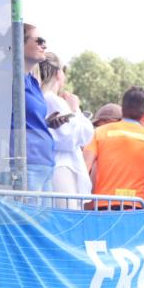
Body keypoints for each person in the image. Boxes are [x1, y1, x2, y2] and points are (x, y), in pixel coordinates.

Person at [84, 86, 144, 209]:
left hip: (104, 207)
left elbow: (85, 168)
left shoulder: (99, 133)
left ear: (123, 110)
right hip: (139, 209)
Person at [36, 51, 93, 208]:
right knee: (66, 215)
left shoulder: (39, 98)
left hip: (51, 164)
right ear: (57, 73)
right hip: (62, 166)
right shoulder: (53, 100)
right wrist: (75, 110)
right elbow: (75, 137)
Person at [17, 23, 56, 192]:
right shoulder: (5, 76)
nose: (44, 46)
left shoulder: (32, 81)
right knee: (27, 219)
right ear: (19, 43)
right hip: (25, 164)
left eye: (44, 41)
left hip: (44, 163)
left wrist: (46, 123)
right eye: (39, 41)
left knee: (42, 219)